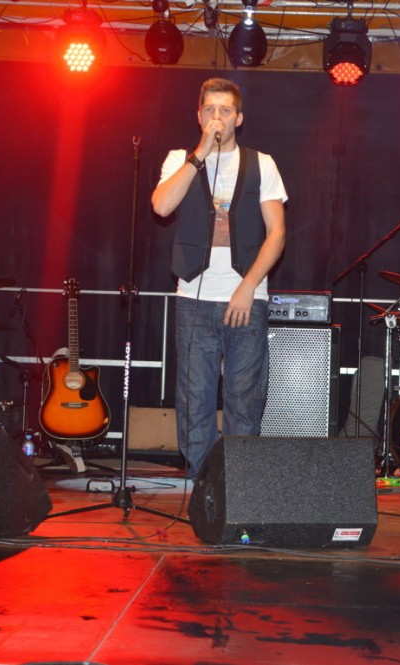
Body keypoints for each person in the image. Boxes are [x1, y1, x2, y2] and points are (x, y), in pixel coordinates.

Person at [151, 78, 287, 479]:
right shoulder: (180, 159)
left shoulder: (262, 164)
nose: (217, 117)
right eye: (209, 110)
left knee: (244, 397)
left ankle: (239, 484)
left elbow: (277, 234)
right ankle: (203, 484)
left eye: (225, 110)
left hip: (245, 298)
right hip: (193, 297)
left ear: (238, 119)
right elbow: (161, 206)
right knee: (195, 398)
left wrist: (247, 287)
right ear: (199, 116)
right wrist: (199, 156)